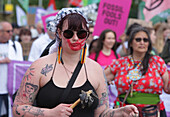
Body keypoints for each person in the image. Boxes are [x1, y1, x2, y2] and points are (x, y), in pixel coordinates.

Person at [12, 8, 139, 117]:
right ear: (59, 33)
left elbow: (101, 112)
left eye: (81, 33)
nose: (75, 38)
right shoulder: (40, 67)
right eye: (69, 33)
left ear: (87, 35)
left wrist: (119, 113)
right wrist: (50, 113)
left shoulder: (95, 69)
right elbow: (18, 108)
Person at [104, 26, 170, 117]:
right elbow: (99, 79)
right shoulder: (120, 63)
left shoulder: (157, 62)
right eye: (138, 39)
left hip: (152, 112)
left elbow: (168, 88)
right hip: (125, 112)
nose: (142, 42)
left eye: (145, 40)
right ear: (130, 43)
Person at [88, 29, 120, 109]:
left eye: (113, 38)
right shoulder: (94, 56)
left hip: (114, 96)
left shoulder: (117, 57)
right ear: (103, 40)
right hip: (99, 94)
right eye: (109, 38)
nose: (111, 41)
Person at [0, 21, 23, 117]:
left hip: (11, 89)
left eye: (11, 31)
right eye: (8, 31)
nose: (11, 33)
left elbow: (20, 65)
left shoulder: (16, 45)